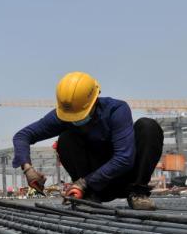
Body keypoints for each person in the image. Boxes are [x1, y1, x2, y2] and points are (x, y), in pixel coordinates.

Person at [13, 71, 164, 210]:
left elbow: (124, 158)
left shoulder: (116, 110)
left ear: (94, 100)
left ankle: (138, 193)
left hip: (125, 181)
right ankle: (90, 197)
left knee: (148, 127)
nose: (76, 120)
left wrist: (84, 182)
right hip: (94, 188)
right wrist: (28, 169)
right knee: (66, 138)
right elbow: (22, 136)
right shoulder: (64, 114)